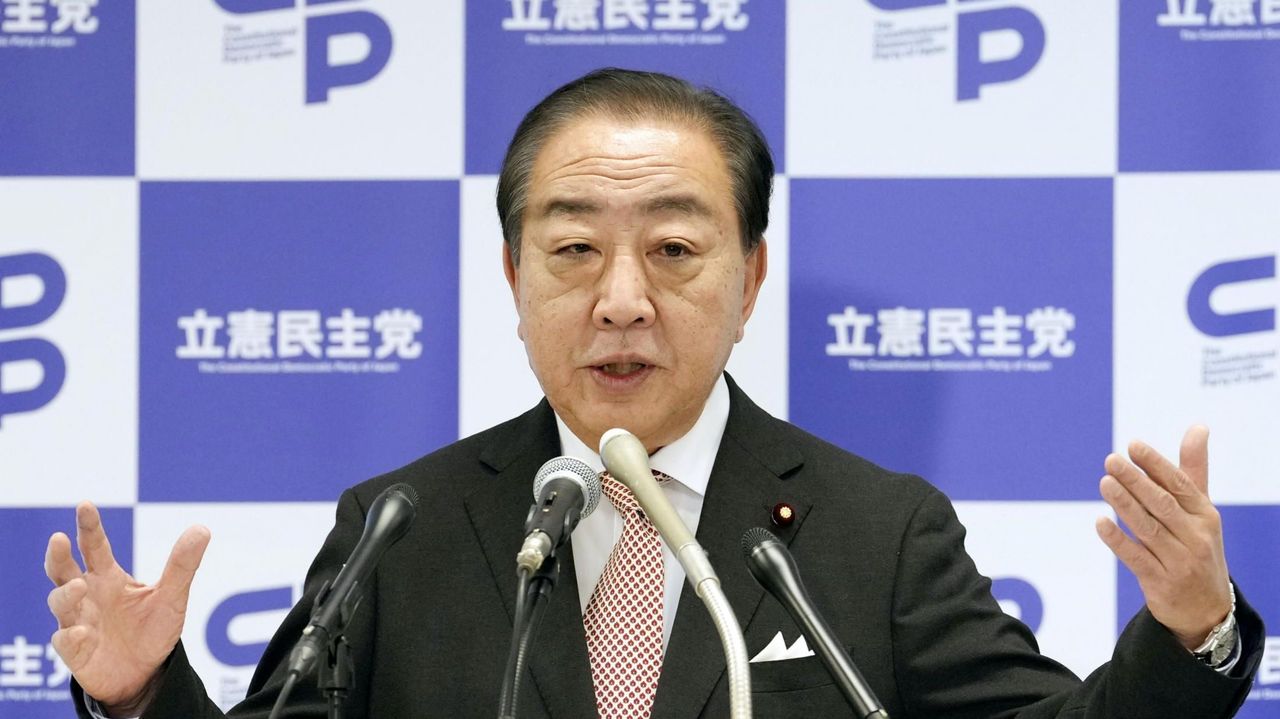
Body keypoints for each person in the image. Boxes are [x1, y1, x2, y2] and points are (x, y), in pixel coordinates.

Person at [45, 68, 1263, 719]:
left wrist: (1188, 629)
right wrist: (144, 694)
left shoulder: (874, 530)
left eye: (673, 249)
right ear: (512, 275)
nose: (621, 297)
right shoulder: (400, 524)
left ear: (750, 278)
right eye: (574, 249)